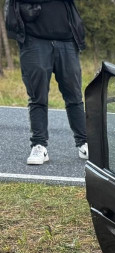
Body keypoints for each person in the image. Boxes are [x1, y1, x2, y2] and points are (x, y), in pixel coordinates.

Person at [4, 0, 88, 165]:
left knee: (74, 96)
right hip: (34, 40)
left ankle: (84, 143)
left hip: (67, 40)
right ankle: (39, 145)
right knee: (37, 97)